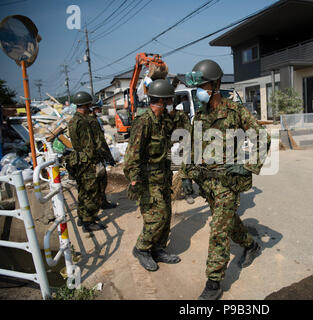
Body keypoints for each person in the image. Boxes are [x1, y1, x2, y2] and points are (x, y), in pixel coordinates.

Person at [182, 59, 271, 300]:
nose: (199, 91)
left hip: (227, 184)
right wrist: (187, 176)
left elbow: (262, 137)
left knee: (218, 230)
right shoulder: (199, 116)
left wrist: (247, 166)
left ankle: (213, 283)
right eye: (197, 86)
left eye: (203, 85)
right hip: (207, 184)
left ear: (216, 84)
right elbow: (191, 147)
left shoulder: (235, 111)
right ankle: (251, 245)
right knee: (229, 223)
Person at [123, 79, 181, 272]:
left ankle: (158, 249)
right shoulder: (144, 121)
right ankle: (141, 248)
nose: (171, 102)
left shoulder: (163, 119)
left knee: (167, 215)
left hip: (163, 176)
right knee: (157, 216)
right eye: (169, 99)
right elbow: (132, 154)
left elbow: (176, 132)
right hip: (148, 180)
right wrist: (134, 179)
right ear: (162, 101)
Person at [67, 91, 108, 232]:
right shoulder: (84, 121)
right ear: (87, 104)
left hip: (79, 159)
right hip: (88, 162)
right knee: (90, 191)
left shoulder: (73, 120)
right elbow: (89, 145)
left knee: (83, 190)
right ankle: (87, 222)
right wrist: (98, 159)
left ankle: (82, 216)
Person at [89, 102, 117, 209]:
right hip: (94, 157)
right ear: (94, 108)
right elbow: (100, 141)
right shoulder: (92, 121)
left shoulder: (90, 120)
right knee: (97, 182)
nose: (101, 110)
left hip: (92, 156)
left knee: (100, 181)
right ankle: (89, 213)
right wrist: (109, 158)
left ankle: (102, 202)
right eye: (99, 108)